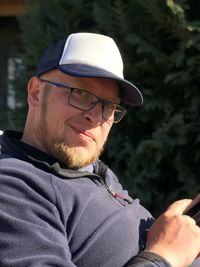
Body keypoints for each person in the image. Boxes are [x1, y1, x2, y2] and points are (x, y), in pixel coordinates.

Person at [0, 32, 199, 267]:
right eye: (82, 94)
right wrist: (165, 257)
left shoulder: (91, 170)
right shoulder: (13, 185)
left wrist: (182, 225)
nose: (95, 117)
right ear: (36, 93)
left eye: (109, 106)